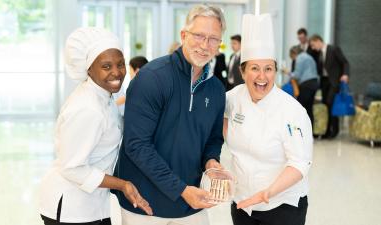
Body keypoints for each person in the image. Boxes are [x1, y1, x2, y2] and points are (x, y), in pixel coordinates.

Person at [112, 4, 226, 225]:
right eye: (199, 35)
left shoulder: (216, 90)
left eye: (213, 39)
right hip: (144, 204)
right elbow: (137, 145)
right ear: (184, 35)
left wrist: (212, 162)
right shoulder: (152, 78)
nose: (205, 45)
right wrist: (181, 189)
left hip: (191, 203)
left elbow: (213, 139)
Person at [38, 27, 152, 225]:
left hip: (91, 205)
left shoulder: (104, 96)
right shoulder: (88, 108)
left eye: (120, 64)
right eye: (106, 66)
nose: (116, 72)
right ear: (88, 69)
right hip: (71, 208)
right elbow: (72, 168)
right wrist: (123, 185)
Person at [224, 14, 313, 225]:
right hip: (242, 204)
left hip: (282, 207)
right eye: (254, 68)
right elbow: (216, 118)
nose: (262, 77)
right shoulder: (233, 97)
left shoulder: (292, 111)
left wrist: (267, 192)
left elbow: (299, 163)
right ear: (242, 72)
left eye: (268, 69)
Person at [309, 34, 350, 138]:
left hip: (334, 81)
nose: (313, 48)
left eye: (313, 45)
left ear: (318, 41)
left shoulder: (333, 49)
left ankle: (334, 130)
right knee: (325, 105)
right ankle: (327, 131)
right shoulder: (319, 54)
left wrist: (345, 74)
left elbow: (345, 62)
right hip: (324, 82)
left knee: (331, 103)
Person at [283, 46, 319, 127]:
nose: (293, 59)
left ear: (294, 53)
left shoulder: (299, 58)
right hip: (314, 83)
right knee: (309, 108)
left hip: (306, 85)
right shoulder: (309, 57)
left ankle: (301, 131)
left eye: (292, 57)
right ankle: (310, 131)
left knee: (300, 108)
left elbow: (297, 75)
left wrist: (287, 72)